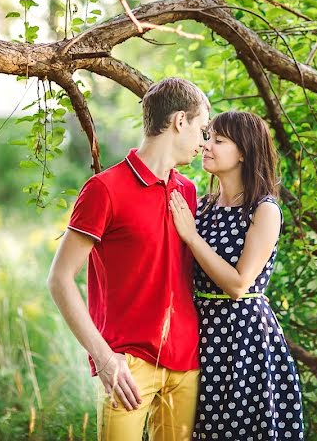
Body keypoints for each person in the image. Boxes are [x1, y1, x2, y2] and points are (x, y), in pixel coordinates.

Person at [47, 77, 210, 441]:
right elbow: (59, 279)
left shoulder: (188, 190)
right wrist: (103, 357)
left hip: (186, 364)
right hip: (127, 367)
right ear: (179, 121)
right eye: (201, 129)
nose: (203, 142)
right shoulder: (105, 189)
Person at [168, 111, 305, 440]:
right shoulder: (201, 207)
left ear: (243, 151)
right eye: (207, 137)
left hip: (241, 338)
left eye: (218, 140)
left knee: (237, 430)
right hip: (196, 332)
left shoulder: (264, 209)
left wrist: (191, 237)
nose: (206, 146)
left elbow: (239, 284)